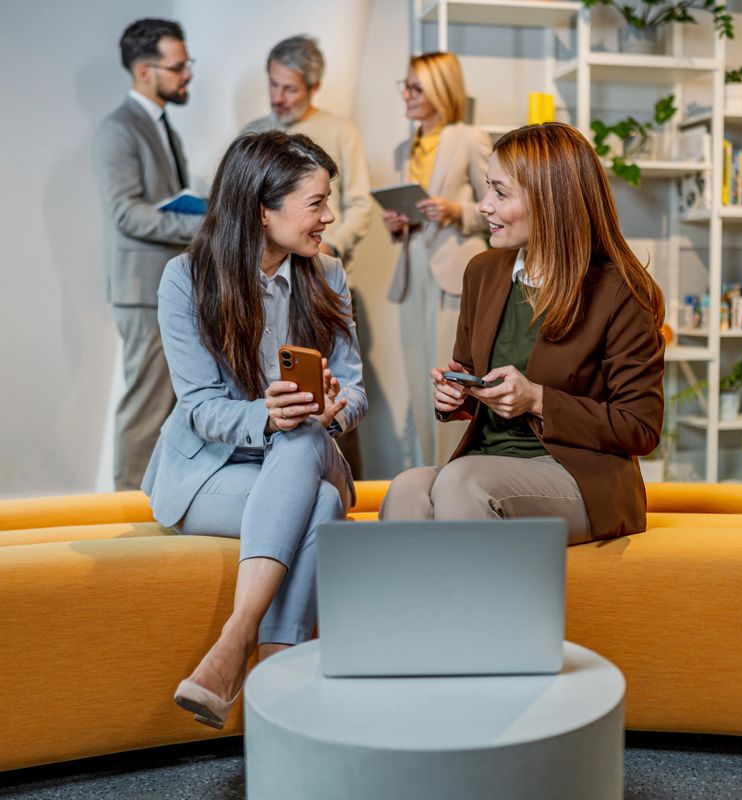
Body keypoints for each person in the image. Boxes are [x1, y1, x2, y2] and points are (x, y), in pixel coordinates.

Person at [141, 131, 367, 729]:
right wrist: (268, 415)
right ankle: (271, 680)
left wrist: (334, 408)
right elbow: (199, 407)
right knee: (315, 492)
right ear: (262, 210)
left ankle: (233, 648)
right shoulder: (185, 279)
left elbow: (355, 389)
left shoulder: (330, 277)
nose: (330, 216)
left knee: (305, 438)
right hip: (208, 476)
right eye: (315, 203)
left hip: (300, 456)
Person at [380, 122, 665, 542]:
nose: (482, 205)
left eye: (499, 192)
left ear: (550, 202)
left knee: (462, 482)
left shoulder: (619, 292)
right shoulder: (483, 272)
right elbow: (472, 377)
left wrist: (538, 399)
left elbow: (639, 427)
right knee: (407, 488)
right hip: (485, 462)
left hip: (579, 476)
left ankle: (481, 610)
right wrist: (456, 397)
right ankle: (411, 612)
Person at [242, 34, 371, 479]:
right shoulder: (255, 137)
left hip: (316, 281)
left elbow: (361, 204)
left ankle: (331, 475)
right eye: (273, 86)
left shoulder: (341, 130)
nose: (278, 97)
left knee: (328, 394)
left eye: (289, 88)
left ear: (313, 87)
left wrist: (322, 249)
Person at [93, 18, 203, 490]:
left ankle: (159, 505)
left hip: (170, 285)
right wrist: (205, 223)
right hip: (143, 291)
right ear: (144, 71)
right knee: (144, 406)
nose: (187, 75)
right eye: (178, 66)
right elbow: (127, 214)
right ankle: (124, 520)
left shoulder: (164, 128)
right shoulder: (118, 129)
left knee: (173, 404)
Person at [383, 51, 491, 467]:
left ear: (441, 90)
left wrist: (455, 211)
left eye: (416, 87)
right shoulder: (402, 149)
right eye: (405, 86)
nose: (407, 95)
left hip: (456, 273)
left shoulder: (468, 138)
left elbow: (496, 206)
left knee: (453, 381)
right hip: (413, 277)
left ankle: (456, 473)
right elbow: (409, 218)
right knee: (418, 382)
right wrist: (396, 224)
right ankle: (428, 475)